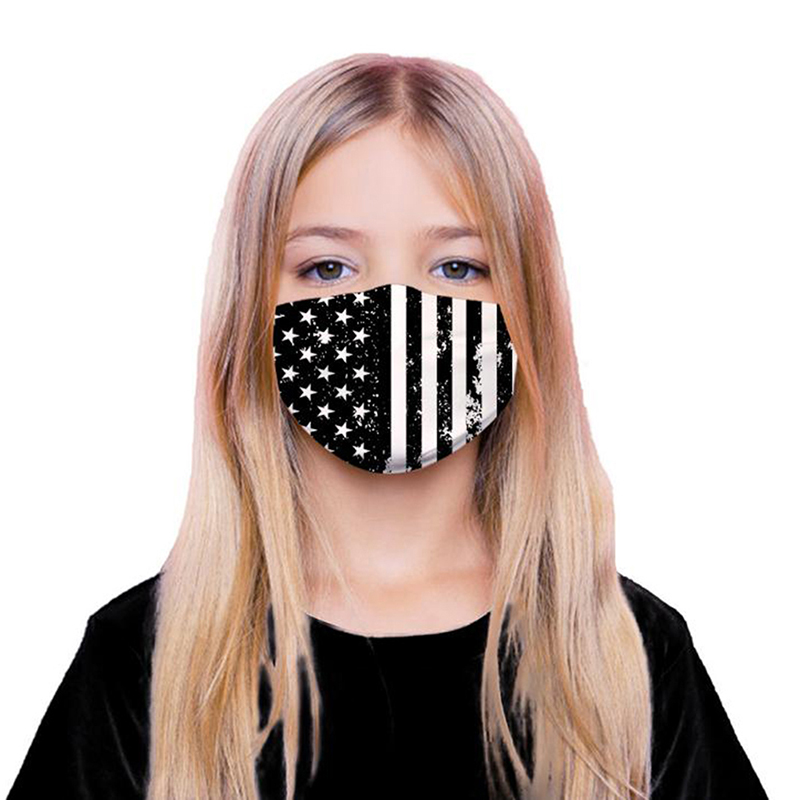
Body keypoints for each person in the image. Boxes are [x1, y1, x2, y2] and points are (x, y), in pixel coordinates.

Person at [7, 53, 769, 800]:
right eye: (328, 268)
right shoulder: (146, 663)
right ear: (252, 315)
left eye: (458, 268)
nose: (392, 316)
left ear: (525, 312)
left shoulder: (628, 660)